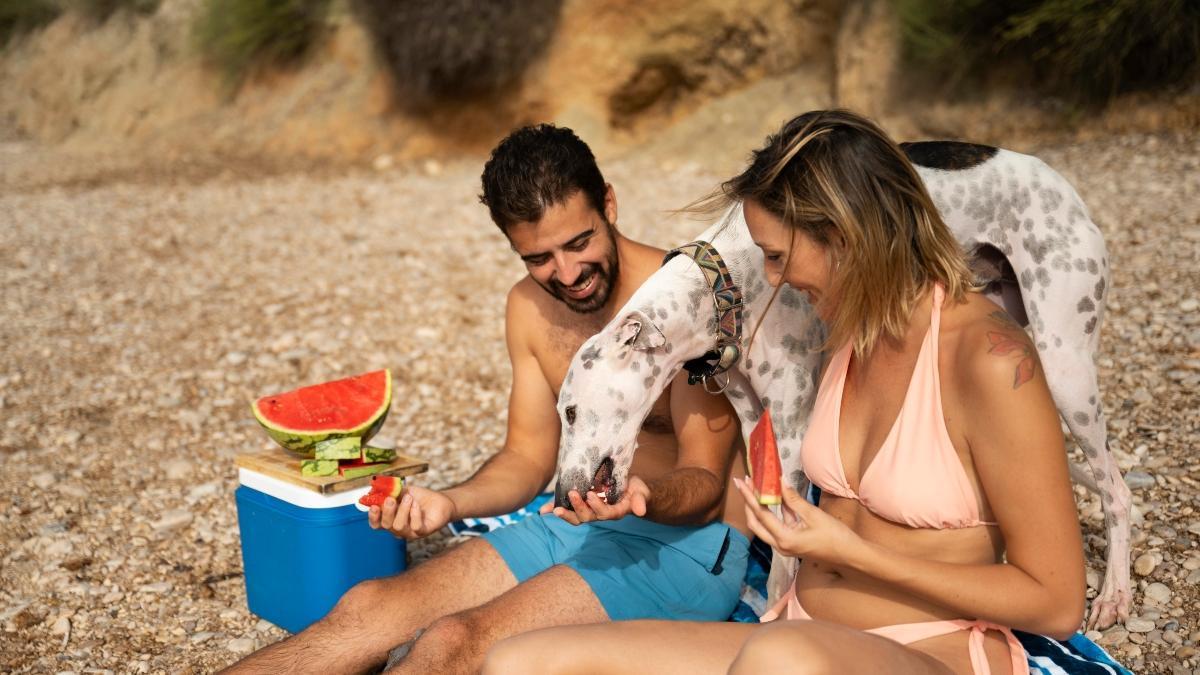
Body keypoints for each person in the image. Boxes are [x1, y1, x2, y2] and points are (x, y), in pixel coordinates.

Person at [482, 109, 1086, 675]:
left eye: (776, 256)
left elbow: (1056, 603)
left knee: (782, 657)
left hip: (928, 650)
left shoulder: (992, 362)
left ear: (846, 237)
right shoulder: (844, 332)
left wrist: (854, 552)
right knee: (521, 661)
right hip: (792, 631)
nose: (772, 280)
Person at [221, 124, 751, 675]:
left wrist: (642, 495)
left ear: (609, 204)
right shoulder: (527, 307)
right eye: (539, 257)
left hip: (685, 545)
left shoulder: (685, 297)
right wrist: (451, 503)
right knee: (365, 609)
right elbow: (526, 458)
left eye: (579, 242)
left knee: (456, 642)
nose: (567, 274)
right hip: (574, 526)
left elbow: (706, 485)